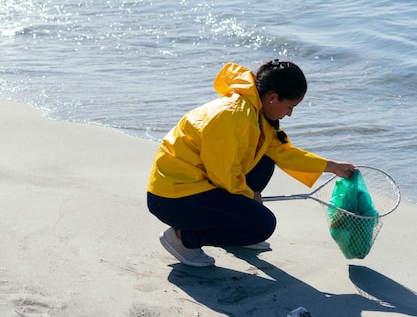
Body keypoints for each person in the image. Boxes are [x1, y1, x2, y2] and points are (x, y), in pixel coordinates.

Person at [147, 60, 356, 267]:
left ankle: (236, 227)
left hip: (199, 183)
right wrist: (250, 198)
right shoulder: (233, 115)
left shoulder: (258, 111)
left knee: (265, 162)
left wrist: (332, 166)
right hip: (173, 196)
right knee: (262, 225)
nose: (290, 114)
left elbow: (283, 153)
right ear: (273, 98)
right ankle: (182, 238)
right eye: (290, 107)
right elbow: (224, 175)